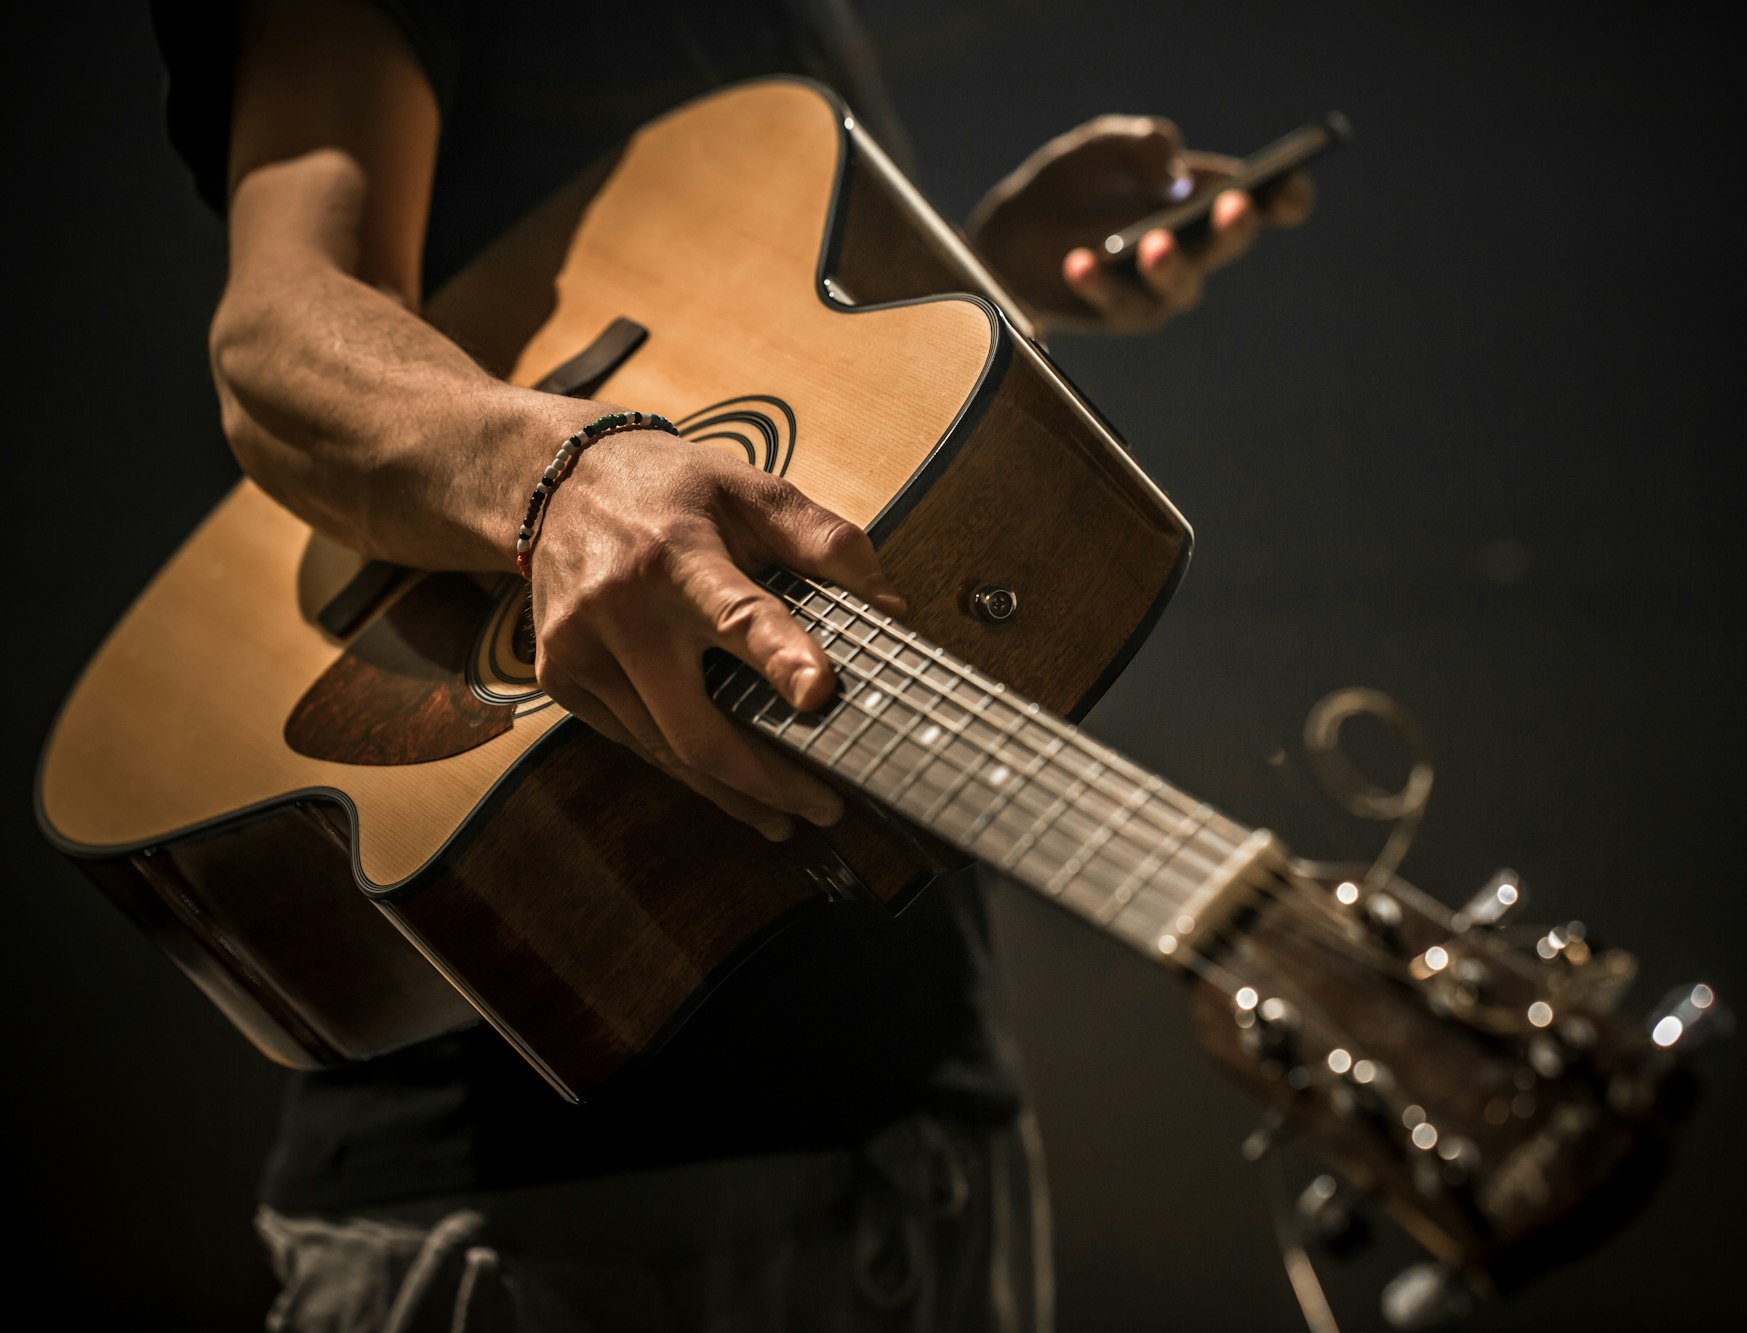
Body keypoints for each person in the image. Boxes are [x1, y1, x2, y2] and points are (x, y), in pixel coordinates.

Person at [149, 1, 1313, 1327]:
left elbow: (726, 388)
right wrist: (561, 476)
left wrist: (965, 285)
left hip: (939, 1136)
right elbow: (281, 342)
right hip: (539, 1199)